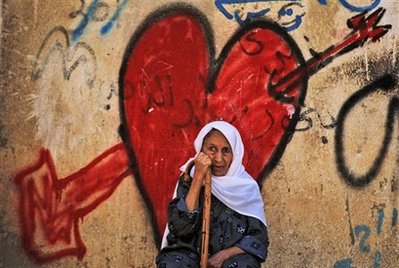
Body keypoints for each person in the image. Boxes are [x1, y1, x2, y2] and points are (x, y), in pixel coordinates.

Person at [156, 121, 269, 268]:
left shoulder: (246, 187)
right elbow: (180, 228)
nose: (218, 159)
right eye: (212, 149)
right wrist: (198, 178)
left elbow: (258, 237)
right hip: (188, 253)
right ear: (201, 150)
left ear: (234, 153)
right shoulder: (189, 177)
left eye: (226, 151)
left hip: (232, 257)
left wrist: (226, 254)